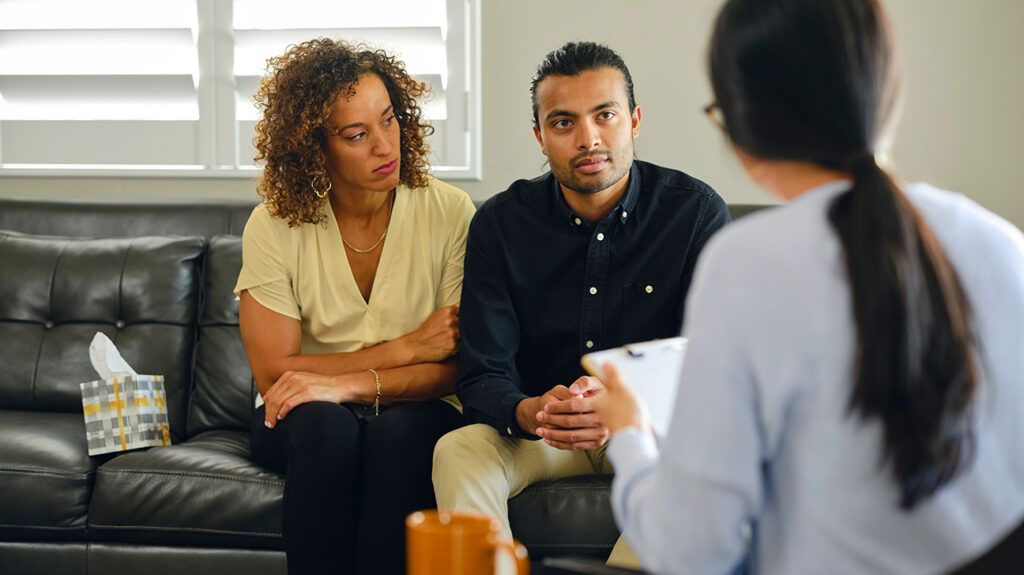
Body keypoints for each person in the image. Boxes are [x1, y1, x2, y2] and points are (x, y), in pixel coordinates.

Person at [593, 0, 1024, 573]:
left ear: (741, 121)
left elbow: (691, 551)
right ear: (882, 92)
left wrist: (629, 432)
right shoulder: (999, 242)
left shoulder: (746, 266)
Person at [431, 40, 730, 559]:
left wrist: (629, 407)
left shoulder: (695, 214)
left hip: (653, 435)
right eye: (564, 122)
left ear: (634, 120)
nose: (588, 139)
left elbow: (711, 364)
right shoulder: (501, 225)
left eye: (605, 115)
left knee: (710, 467)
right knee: (458, 449)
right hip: (541, 433)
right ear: (540, 136)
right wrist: (529, 411)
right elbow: (482, 373)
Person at [234, 38, 475, 575]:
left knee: (402, 435)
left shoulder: (450, 211)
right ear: (315, 148)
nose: (385, 147)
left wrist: (343, 382)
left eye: (389, 120)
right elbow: (277, 374)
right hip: (302, 418)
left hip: (417, 410)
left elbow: (454, 366)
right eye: (356, 135)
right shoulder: (273, 225)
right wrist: (410, 346)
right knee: (327, 430)